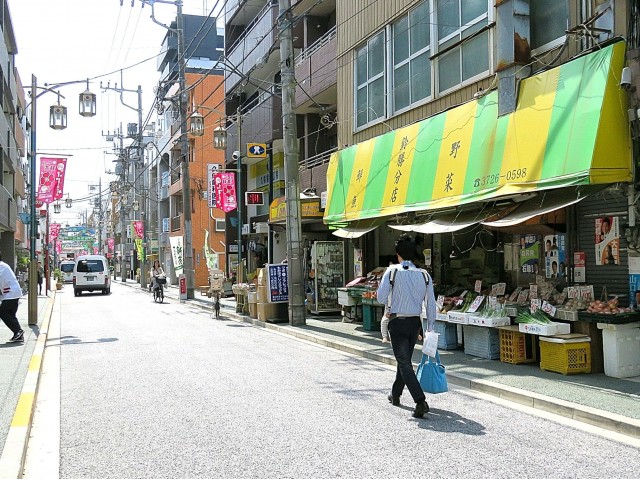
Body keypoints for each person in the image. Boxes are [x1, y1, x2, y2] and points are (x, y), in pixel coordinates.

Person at [376, 235, 436, 419]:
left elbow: (380, 297)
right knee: (405, 362)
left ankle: (420, 401)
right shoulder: (425, 275)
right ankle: (395, 395)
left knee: (404, 362)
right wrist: (430, 327)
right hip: (415, 323)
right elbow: (431, 304)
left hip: (397, 322)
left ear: (398, 254)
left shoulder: (392, 271)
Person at [0, 253, 24, 343]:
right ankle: (18, 334)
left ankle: (18, 331)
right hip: (12, 293)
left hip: (11, 294)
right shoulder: (3, 265)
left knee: (3, 312)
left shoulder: (1, 266)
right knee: (11, 314)